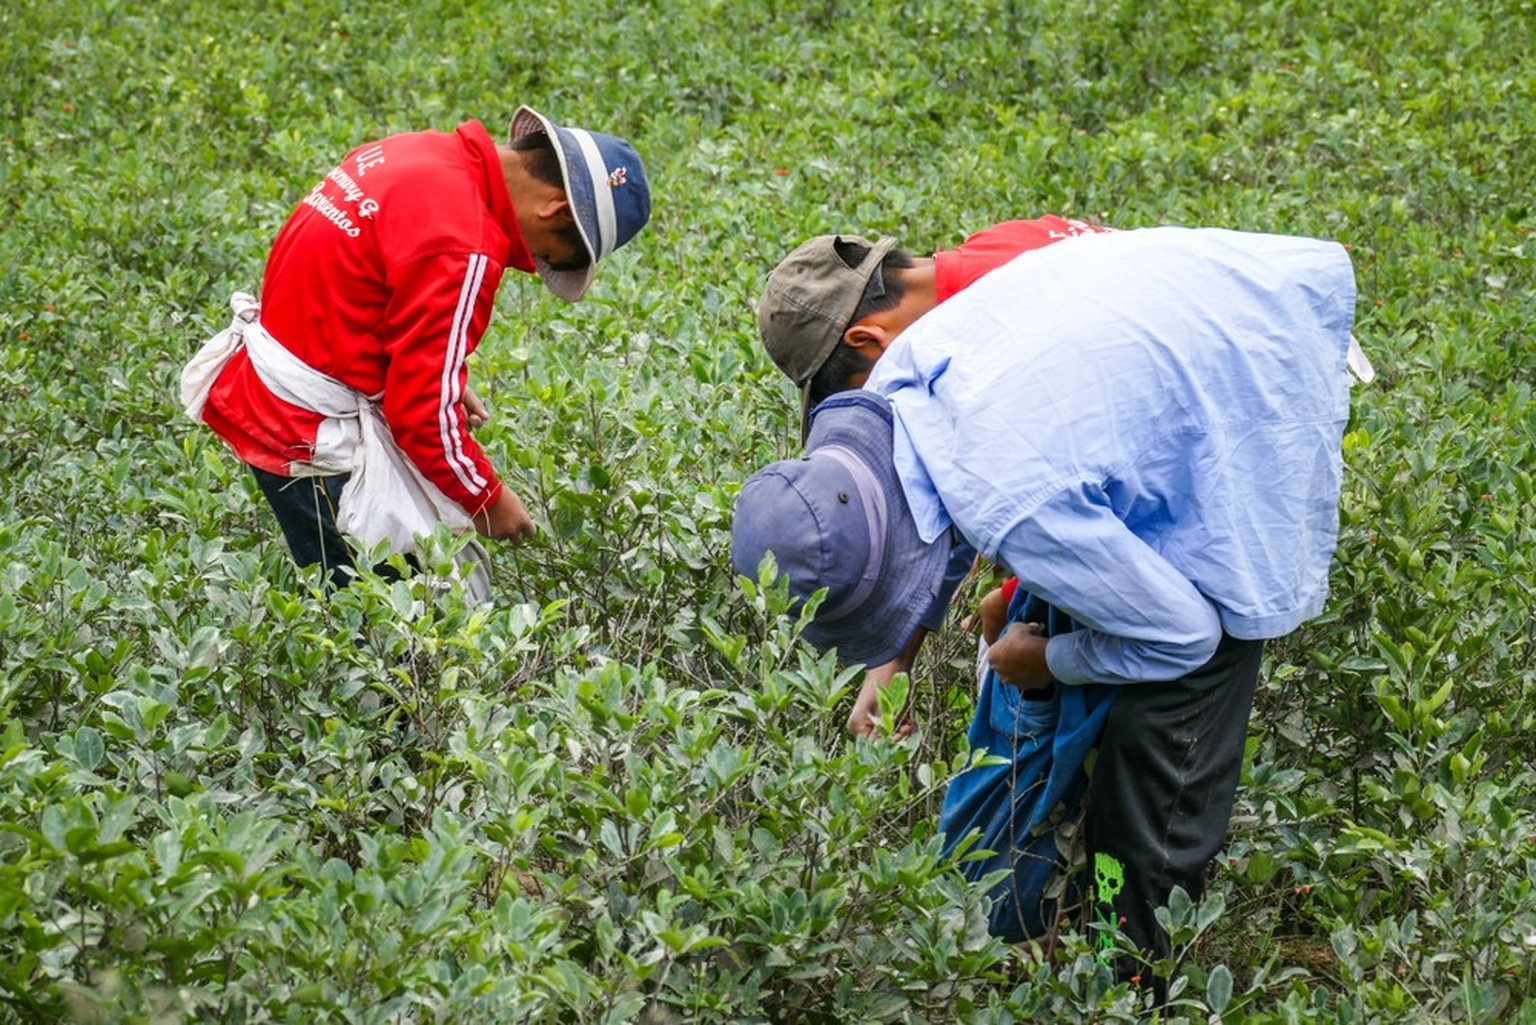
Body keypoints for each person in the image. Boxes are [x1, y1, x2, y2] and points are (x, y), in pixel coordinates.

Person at [732, 226, 1362, 987]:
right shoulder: (903, 376)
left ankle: (1128, 981)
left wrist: (1050, 660)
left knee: (1152, 775)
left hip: (1259, 352)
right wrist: (901, 653)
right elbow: (946, 481)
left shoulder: (1009, 496)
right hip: (1204, 302)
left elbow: (1185, 636)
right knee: (1111, 674)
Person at [181, 107, 650, 596]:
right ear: (553, 212)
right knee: (398, 634)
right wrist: (488, 500)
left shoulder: (412, 151)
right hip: (317, 439)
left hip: (267, 402)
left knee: (336, 613)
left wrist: (447, 377)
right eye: (548, 256)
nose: (531, 265)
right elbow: (421, 413)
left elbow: (361, 291)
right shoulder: (465, 244)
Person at [757, 217, 1113, 735]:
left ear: (869, 340)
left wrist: (1011, 600)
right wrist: (891, 668)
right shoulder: (1001, 248)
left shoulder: (998, 341)